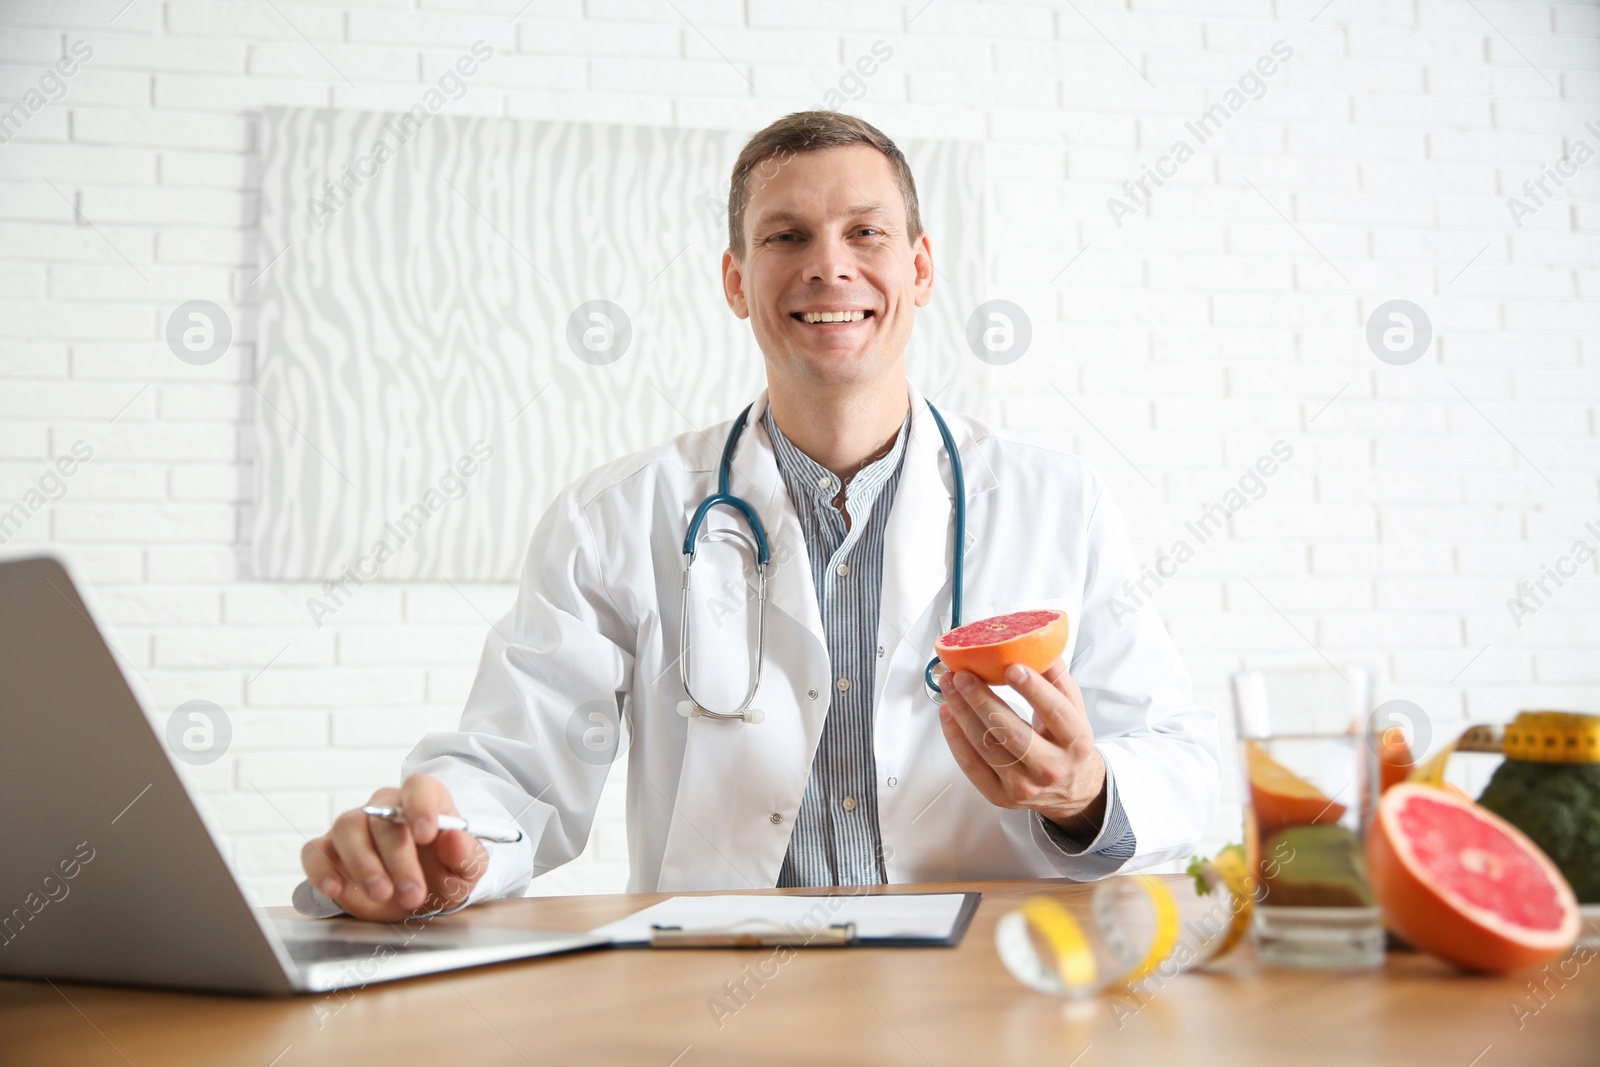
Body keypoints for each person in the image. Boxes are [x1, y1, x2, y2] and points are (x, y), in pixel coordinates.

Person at [299, 111, 1220, 921]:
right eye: (787, 236)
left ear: (922, 266)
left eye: (866, 231)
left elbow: (1179, 759)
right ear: (737, 282)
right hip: (716, 985)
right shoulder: (619, 515)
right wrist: (438, 844)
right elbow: (515, 766)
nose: (830, 265)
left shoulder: (1056, 500)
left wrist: (1086, 792)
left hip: (988, 979)